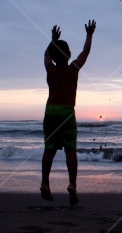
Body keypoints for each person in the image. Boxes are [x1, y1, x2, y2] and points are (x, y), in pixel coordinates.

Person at [41, 20, 96, 206]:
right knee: (70, 150)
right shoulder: (73, 69)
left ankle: (45, 183)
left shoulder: (50, 69)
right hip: (66, 113)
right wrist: (89, 34)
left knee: (49, 149)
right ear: (69, 54)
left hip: (50, 112)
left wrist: (52, 40)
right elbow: (86, 52)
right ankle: (72, 184)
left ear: (55, 56)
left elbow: (46, 55)